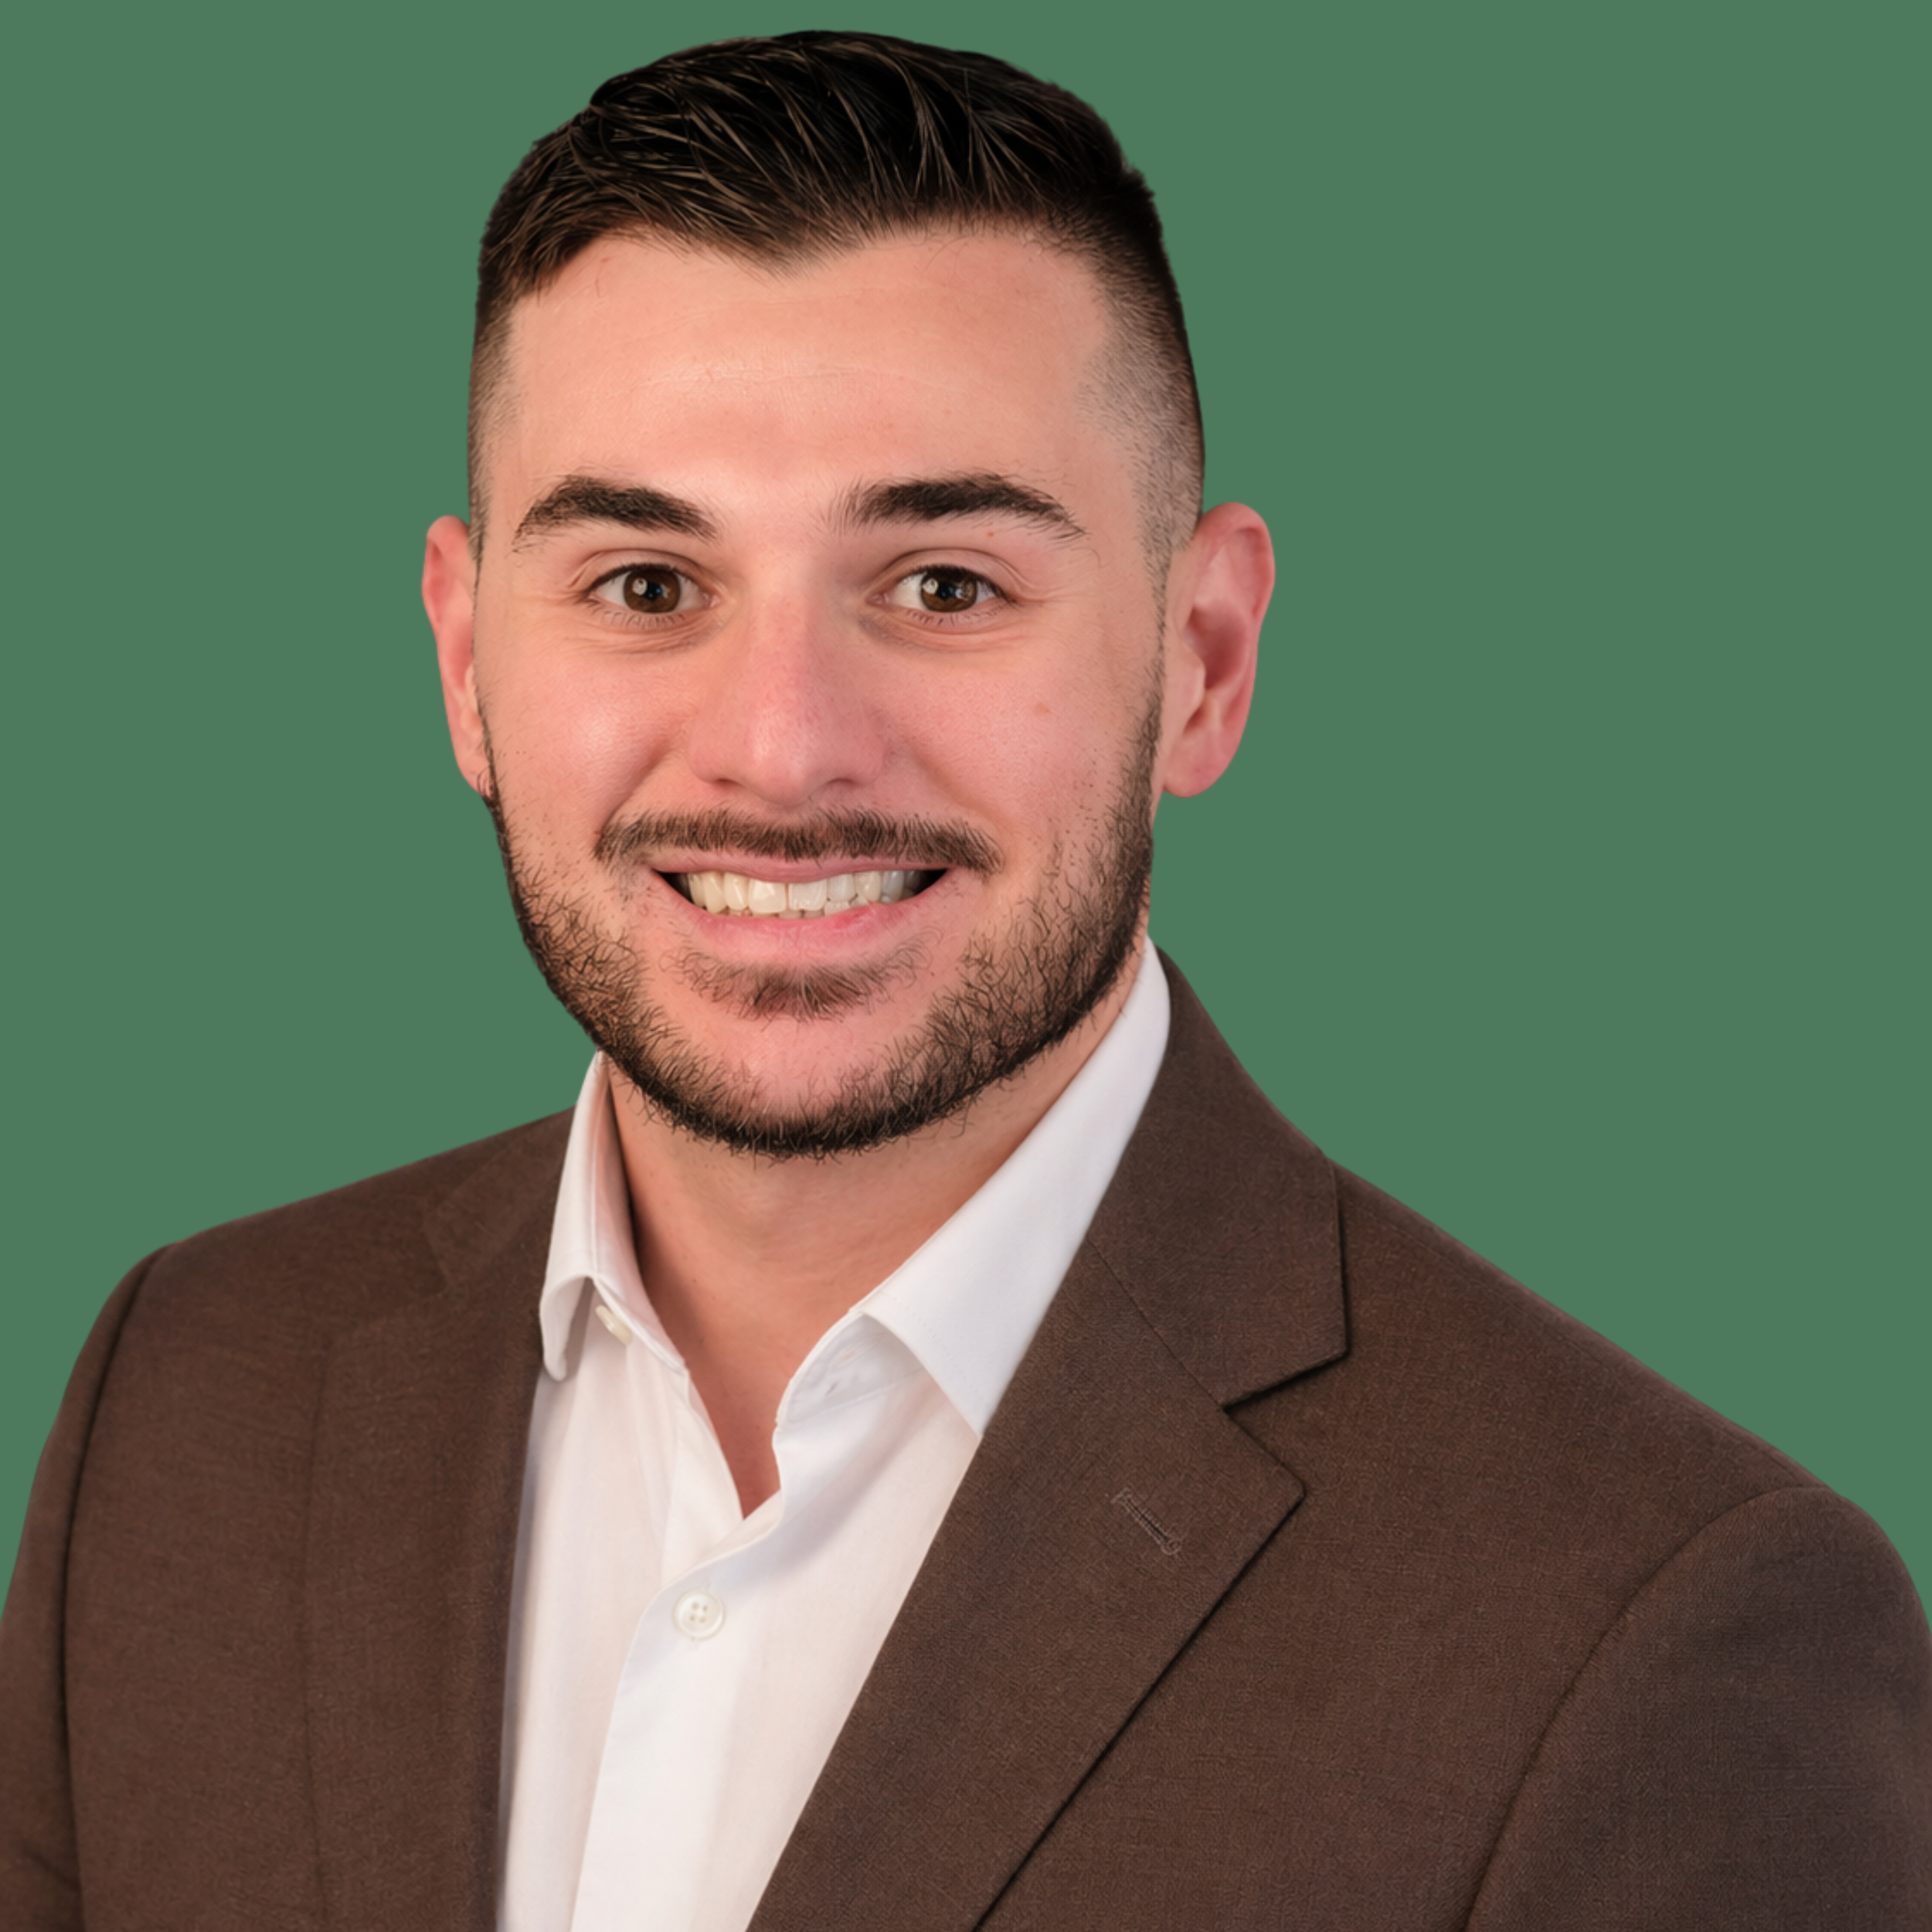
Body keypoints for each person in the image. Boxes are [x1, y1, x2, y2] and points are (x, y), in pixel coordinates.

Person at [2, 30, 1927, 1931]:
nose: (776, 748)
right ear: (463, 659)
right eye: (645, 585)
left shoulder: (1657, 1627)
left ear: (1200, 658)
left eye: (940, 584)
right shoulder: (192, 1392)